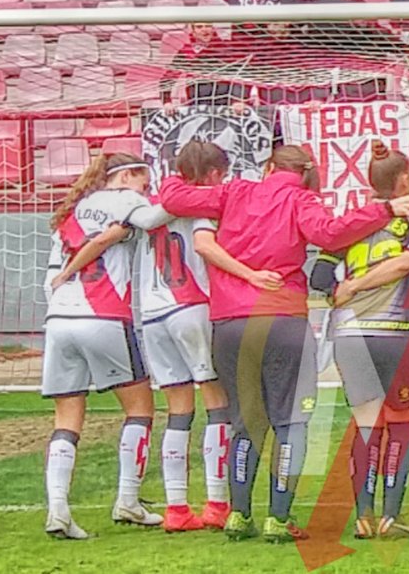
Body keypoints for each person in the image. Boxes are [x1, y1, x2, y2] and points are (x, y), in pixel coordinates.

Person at [159, 145, 409, 542]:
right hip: (281, 318)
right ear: (307, 173)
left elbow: (173, 197)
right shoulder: (302, 200)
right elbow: (330, 234)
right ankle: (278, 517)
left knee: (243, 422)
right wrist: (383, 210)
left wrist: (181, 169)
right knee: (290, 421)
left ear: (269, 167)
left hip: (229, 322)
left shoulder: (234, 191)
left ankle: (238, 515)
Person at [38, 153, 174, 539]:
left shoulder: (73, 210)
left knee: (66, 419)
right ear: (126, 176)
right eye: (143, 182)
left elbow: (57, 271)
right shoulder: (127, 202)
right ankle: (128, 500)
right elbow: (133, 228)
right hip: (105, 315)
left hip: (60, 319)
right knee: (140, 408)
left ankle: (58, 510)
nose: (145, 190)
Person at [317, 142, 409, 540]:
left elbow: (318, 277)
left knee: (366, 423)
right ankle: (390, 515)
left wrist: (341, 291)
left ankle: (363, 516)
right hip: (394, 332)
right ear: (404, 181)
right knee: (401, 423)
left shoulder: (350, 223)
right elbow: (407, 262)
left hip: (348, 334)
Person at [136, 142, 247, 532]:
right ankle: (217, 502)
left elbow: (149, 222)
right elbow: (205, 244)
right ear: (214, 173)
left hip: (152, 312)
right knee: (217, 402)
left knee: (178, 410)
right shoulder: (202, 204)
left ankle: (176, 508)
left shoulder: (155, 206)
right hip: (191, 305)